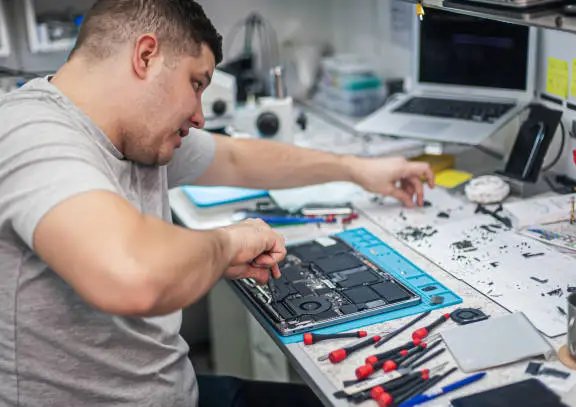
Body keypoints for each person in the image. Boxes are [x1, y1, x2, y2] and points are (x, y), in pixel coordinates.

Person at [0, 1, 434, 406]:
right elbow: (133, 274)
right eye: (195, 83)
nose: (200, 116)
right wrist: (226, 243)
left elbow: (237, 157)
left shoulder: (134, 135)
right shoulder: (32, 131)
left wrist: (357, 169)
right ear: (146, 56)